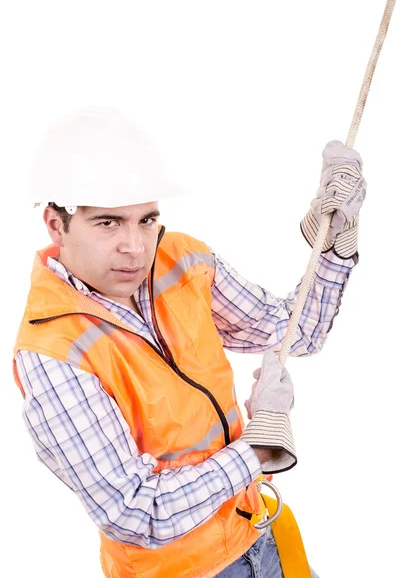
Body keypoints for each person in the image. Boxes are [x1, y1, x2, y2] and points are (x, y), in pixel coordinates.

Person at [13, 107, 366, 577]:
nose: (136, 247)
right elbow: (136, 513)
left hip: (256, 532)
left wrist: (334, 241)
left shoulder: (180, 261)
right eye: (108, 223)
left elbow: (297, 331)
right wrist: (257, 449)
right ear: (56, 224)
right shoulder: (54, 352)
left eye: (146, 219)